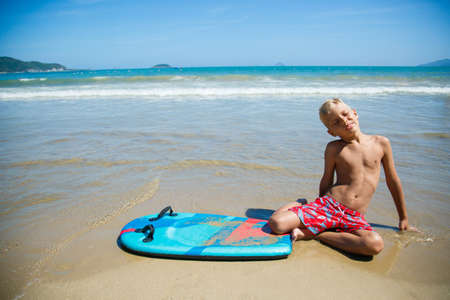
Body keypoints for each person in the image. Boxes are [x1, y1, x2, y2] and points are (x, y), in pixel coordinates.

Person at [269, 98, 412, 256]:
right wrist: (316, 210)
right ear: (332, 132)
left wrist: (403, 217)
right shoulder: (334, 148)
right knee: (277, 224)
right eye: (336, 122)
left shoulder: (381, 143)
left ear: (355, 114)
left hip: (354, 216)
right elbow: (327, 179)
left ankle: (317, 233)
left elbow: (393, 181)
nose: (344, 120)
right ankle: (300, 204)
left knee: (374, 244)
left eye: (345, 114)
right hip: (329, 206)